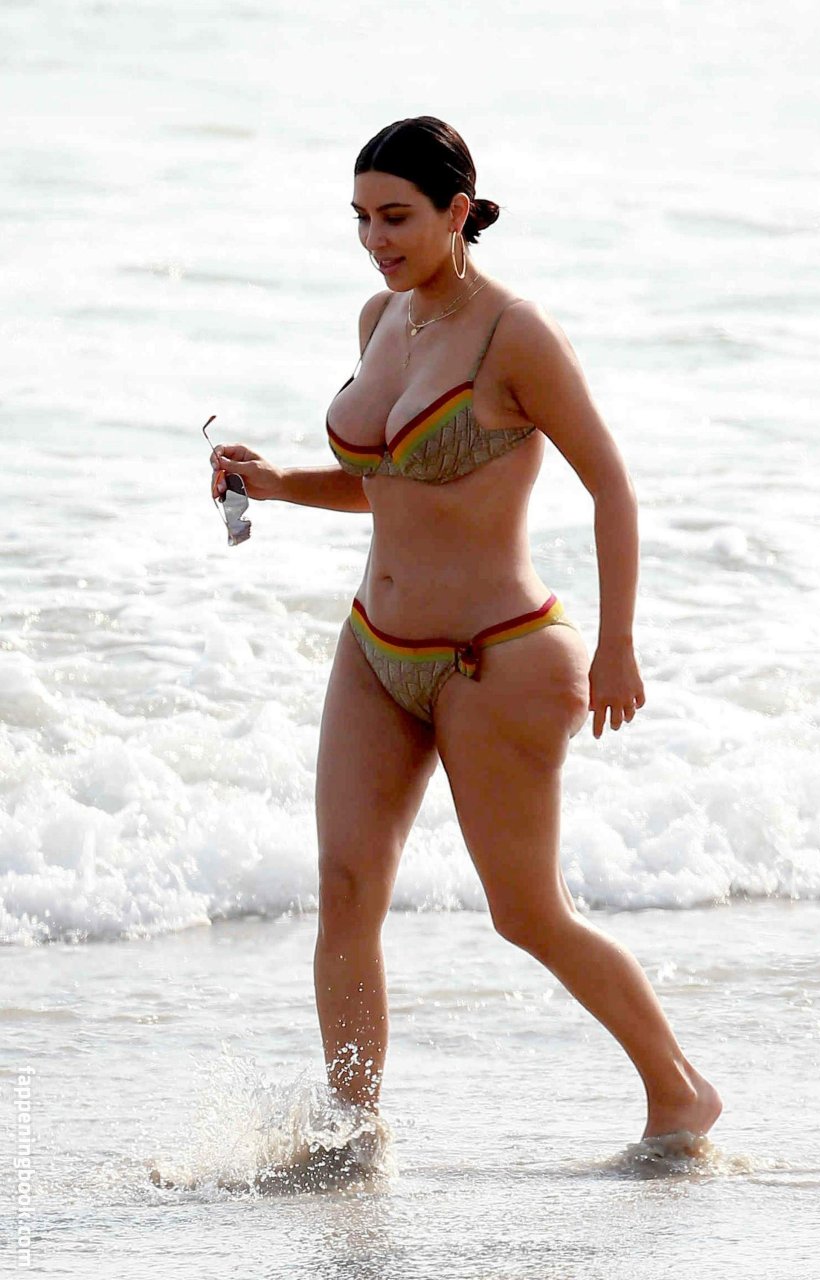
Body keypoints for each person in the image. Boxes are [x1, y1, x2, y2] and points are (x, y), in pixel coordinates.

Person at [208, 116, 722, 1158]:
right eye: (360, 218)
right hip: (374, 643)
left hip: (498, 656)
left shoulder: (514, 335)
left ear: (457, 210)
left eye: (396, 217)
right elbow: (383, 482)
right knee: (346, 887)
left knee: (526, 913)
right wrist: (276, 485)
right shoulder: (380, 317)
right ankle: (353, 1130)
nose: (375, 240)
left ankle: (680, 1091)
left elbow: (612, 488)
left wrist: (618, 645)